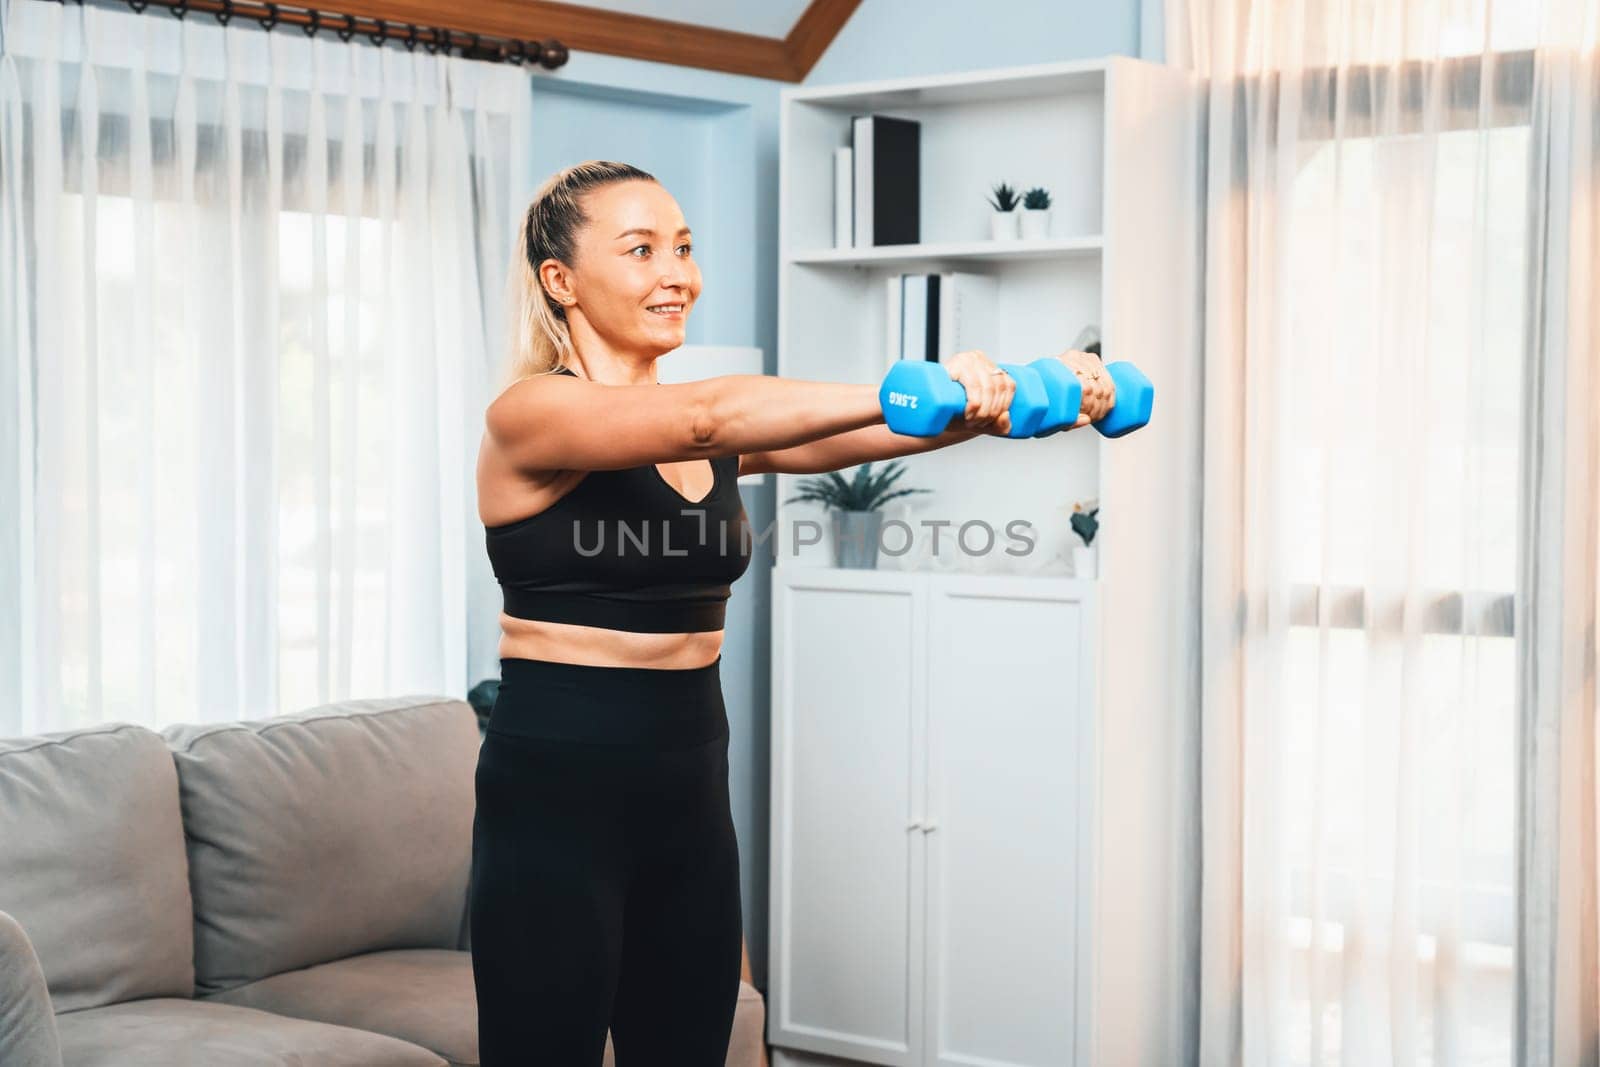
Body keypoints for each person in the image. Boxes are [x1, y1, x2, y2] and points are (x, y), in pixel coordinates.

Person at [469, 159, 1114, 1065]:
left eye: (685, 248)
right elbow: (710, 417)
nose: (676, 272)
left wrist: (1017, 399)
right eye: (642, 249)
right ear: (561, 280)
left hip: (689, 783)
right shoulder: (531, 416)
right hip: (557, 795)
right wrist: (926, 381)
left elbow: (859, 432)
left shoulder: (717, 431)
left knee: (689, 1048)